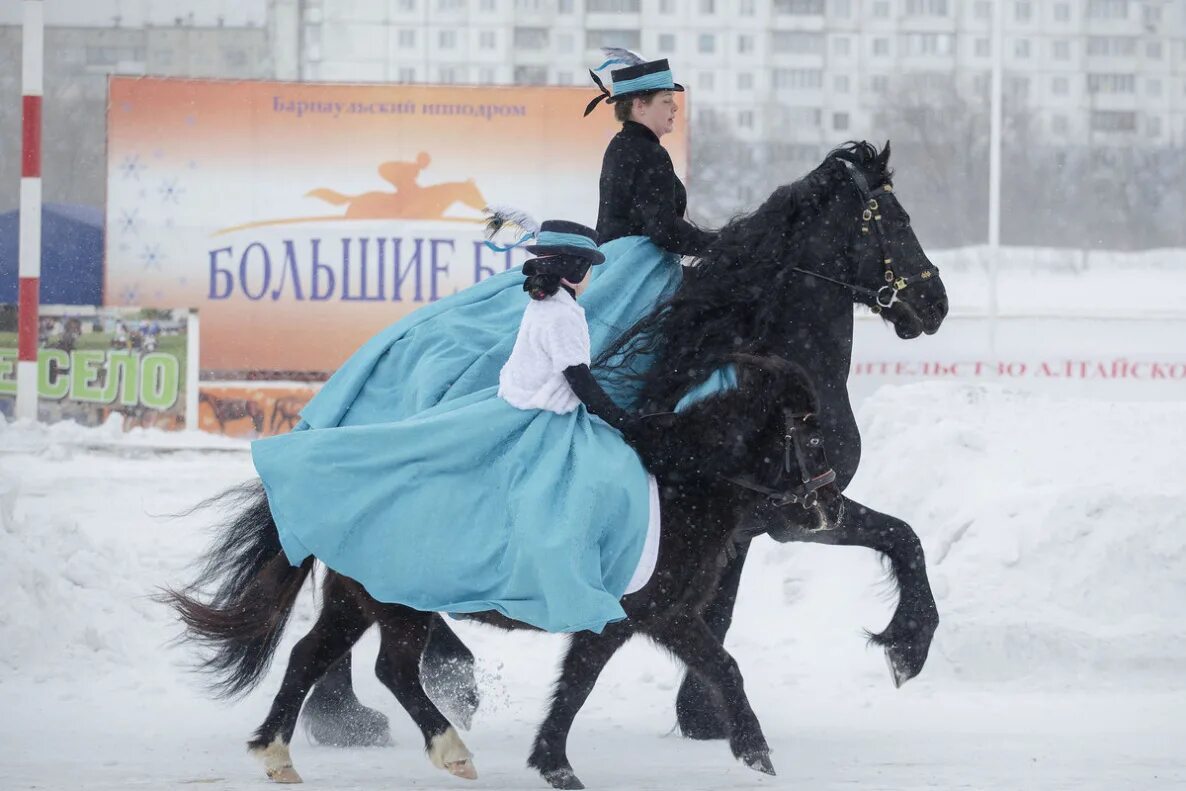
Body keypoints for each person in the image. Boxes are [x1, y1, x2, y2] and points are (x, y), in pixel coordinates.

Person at [252, 222, 661, 634]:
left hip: (507, 404)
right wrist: (623, 421)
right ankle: (543, 573)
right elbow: (579, 380)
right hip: (543, 417)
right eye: (588, 266)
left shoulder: (542, 303)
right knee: (580, 487)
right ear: (576, 270)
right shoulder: (566, 315)